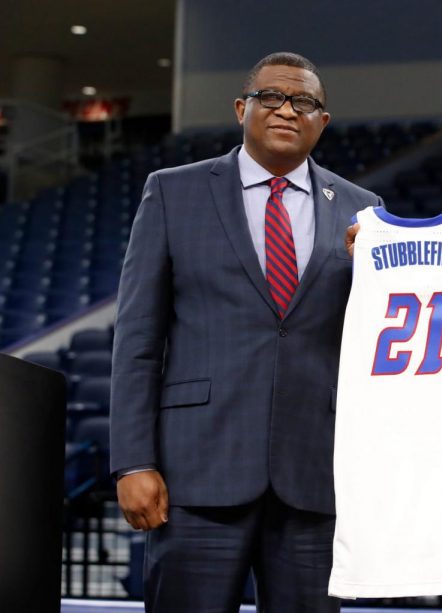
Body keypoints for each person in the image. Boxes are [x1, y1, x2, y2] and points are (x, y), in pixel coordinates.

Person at [110, 52, 382, 612]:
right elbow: (138, 342)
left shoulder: (365, 211)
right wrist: (134, 462)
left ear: (321, 122)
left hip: (316, 477)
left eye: (304, 101)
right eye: (271, 97)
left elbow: (376, 345)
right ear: (242, 109)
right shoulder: (173, 192)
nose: (287, 109)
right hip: (195, 477)